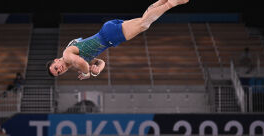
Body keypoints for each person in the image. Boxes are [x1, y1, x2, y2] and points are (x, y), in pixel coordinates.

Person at [46, 0, 190, 79]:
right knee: (143, 21)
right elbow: (101, 62)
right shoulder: (72, 59)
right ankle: (162, 1)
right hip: (108, 31)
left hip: (109, 36)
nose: (60, 70)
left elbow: (81, 62)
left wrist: (86, 73)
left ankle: (171, 3)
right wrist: (97, 70)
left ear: (56, 60)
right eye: (59, 73)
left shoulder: (67, 56)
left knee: (143, 24)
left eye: (56, 68)